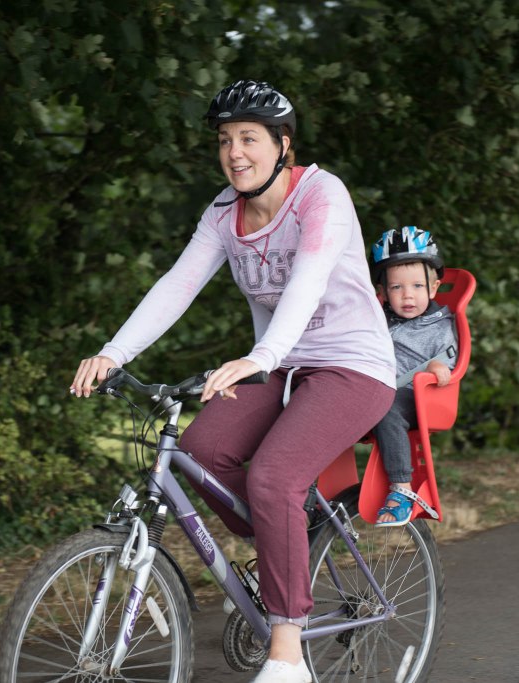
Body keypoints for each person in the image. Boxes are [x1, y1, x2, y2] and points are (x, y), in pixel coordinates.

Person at [70, 80, 396, 683]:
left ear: (283, 146)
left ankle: (287, 654)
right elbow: (177, 283)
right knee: (200, 452)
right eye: (225, 140)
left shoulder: (322, 194)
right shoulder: (223, 211)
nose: (235, 153)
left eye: (249, 138)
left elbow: (309, 277)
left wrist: (262, 354)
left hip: (352, 364)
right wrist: (113, 353)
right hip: (280, 363)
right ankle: (284, 543)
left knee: (273, 476)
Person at [369, 226, 457, 526]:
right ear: (382, 293)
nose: (408, 295)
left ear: (433, 289)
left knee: (385, 405)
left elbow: (450, 358)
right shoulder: (378, 321)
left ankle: (402, 490)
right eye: (397, 288)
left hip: (422, 396)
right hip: (378, 390)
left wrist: (436, 368)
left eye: (418, 286)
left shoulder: (440, 324)